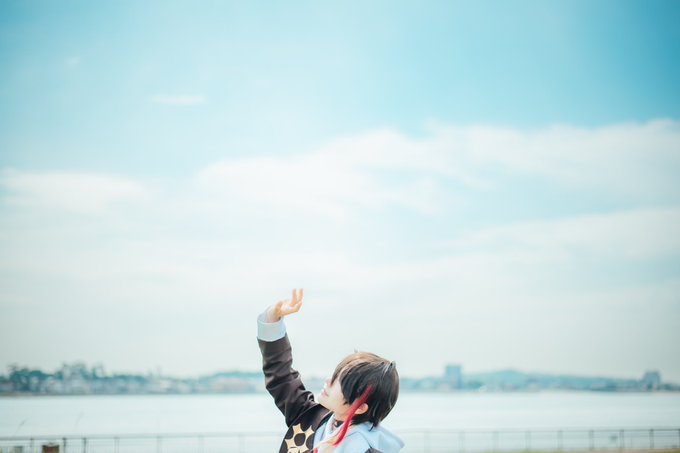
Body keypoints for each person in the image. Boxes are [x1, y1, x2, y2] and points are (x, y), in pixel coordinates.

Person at [257, 288, 404, 453]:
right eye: (334, 375)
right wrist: (272, 319)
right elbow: (282, 377)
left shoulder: (364, 448)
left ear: (360, 407)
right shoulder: (311, 417)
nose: (328, 381)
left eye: (338, 382)